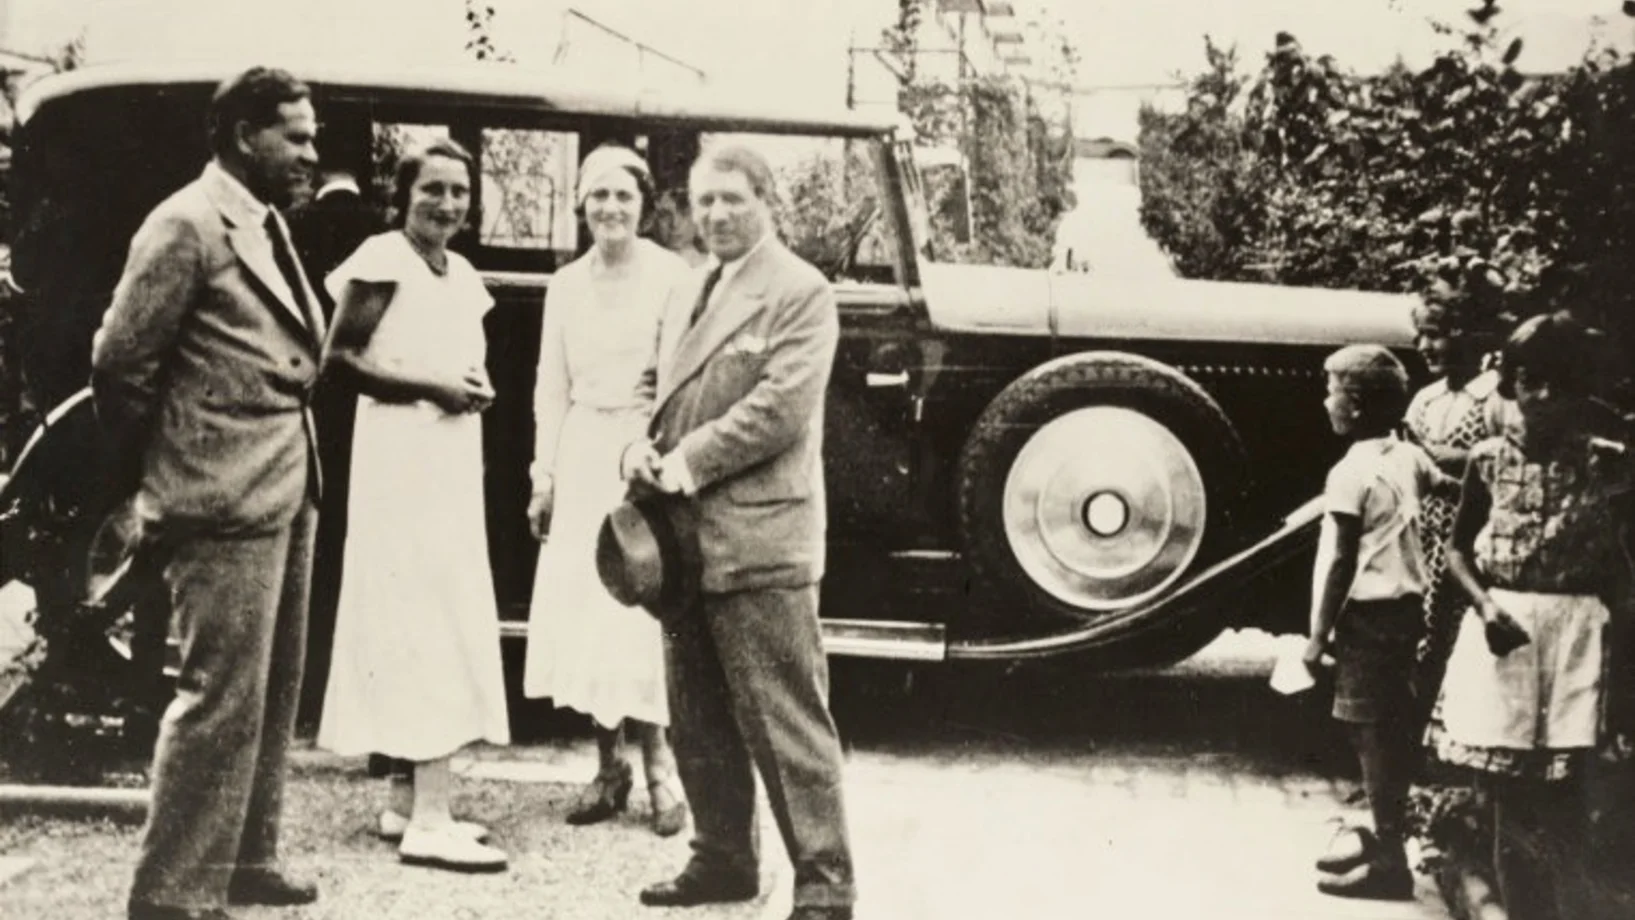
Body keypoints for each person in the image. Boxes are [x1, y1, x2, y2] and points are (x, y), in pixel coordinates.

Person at [90, 66, 324, 920]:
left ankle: (247, 860)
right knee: (216, 699)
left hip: (284, 488)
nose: (311, 153)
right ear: (241, 137)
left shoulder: (260, 222)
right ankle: (172, 896)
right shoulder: (186, 224)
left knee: (267, 694)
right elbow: (120, 363)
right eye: (295, 137)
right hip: (220, 498)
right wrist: (169, 475)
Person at [625, 144, 856, 920]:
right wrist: (634, 442)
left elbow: (779, 409)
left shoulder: (800, 291)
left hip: (760, 543)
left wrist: (684, 460)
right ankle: (720, 859)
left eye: (732, 199)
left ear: (767, 201)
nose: (716, 215)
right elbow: (651, 383)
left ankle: (825, 889)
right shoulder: (688, 287)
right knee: (697, 718)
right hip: (681, 544)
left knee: (785, 723)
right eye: (703, 202)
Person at [315, 138, 510, 873]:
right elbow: (339, 362)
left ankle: (403, 799)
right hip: (399, 458)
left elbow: (456, 355)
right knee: (422, 616)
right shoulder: (381, 257)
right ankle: (432, 817)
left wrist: (471, 387)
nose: (447, 205)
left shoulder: (457, 270)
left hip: (447, 460)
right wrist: (434, 388)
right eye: (432, 190)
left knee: (438, 606)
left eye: (458, 192)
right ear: (404, 195)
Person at [1427, 312, 1633, 920]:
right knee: (1506, 799)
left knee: (1567, 800)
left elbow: (1621, 568)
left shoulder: (1610, 465)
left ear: (1582, 390)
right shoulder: (1487, 460)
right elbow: (1457, 550)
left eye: (1561, 384)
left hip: (1578, 639)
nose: (1544, 397)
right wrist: (1485, 604)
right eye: (1531, 380)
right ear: (1512, 382)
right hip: (1505, 636)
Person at [523, 144, 689, 837]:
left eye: (623, 196)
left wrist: (648, 457)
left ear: (643, 205)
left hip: (641, 459)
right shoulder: (564, 285)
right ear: (581, 205)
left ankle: (660, 772)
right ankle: (607, 769)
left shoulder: (671, 277)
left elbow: (678, 381)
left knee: (637, 613)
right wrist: (544, 475)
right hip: (582, 450)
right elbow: (550, 387)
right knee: (589, 616)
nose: (610, 209)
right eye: (598, 196)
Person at [1304, 344, 1451, 900]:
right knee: (1385, 727)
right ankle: (1385, 839)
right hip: (1406, 613)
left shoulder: (1350, 472)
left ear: (1356, 405)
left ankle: (1391, 859)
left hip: (1366, 619)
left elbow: (1341, 562)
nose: (1325, 401)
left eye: (1331, 390)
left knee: (1368, 733)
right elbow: (1444, 483)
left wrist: (1318, 637)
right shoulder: (1405, 457)